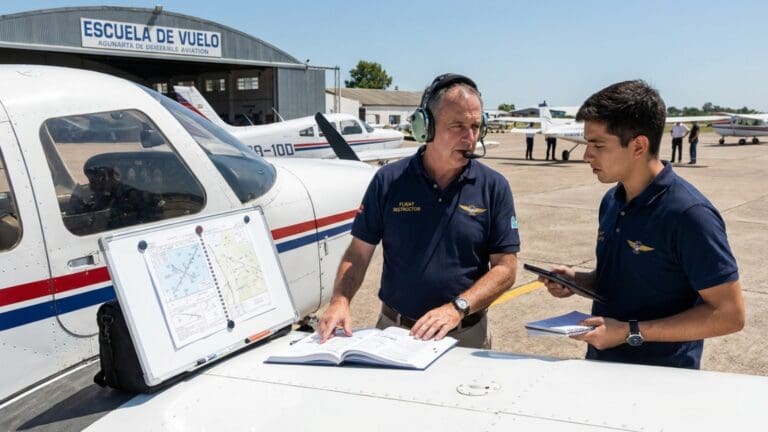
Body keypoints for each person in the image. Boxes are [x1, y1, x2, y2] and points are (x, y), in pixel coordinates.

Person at [542, 80, 744, 369]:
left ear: (638, 146)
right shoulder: (612, 201)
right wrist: (576, 281)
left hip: (661, 378)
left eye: (597, 145)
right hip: (601, 365)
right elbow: (627, 279)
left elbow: (730, 314)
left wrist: (630, 332)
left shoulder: (689, 214)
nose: (587, 155)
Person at [317, 74, 520, 349]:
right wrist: (340, 301)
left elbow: (506, 268)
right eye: (458, 125)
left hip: (465, 335)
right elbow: (358, 253)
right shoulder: (388, 181)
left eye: (475, 126)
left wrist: (457, 307)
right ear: (425, 127)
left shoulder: (494, 187)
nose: (469, 137)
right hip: (395, 332)